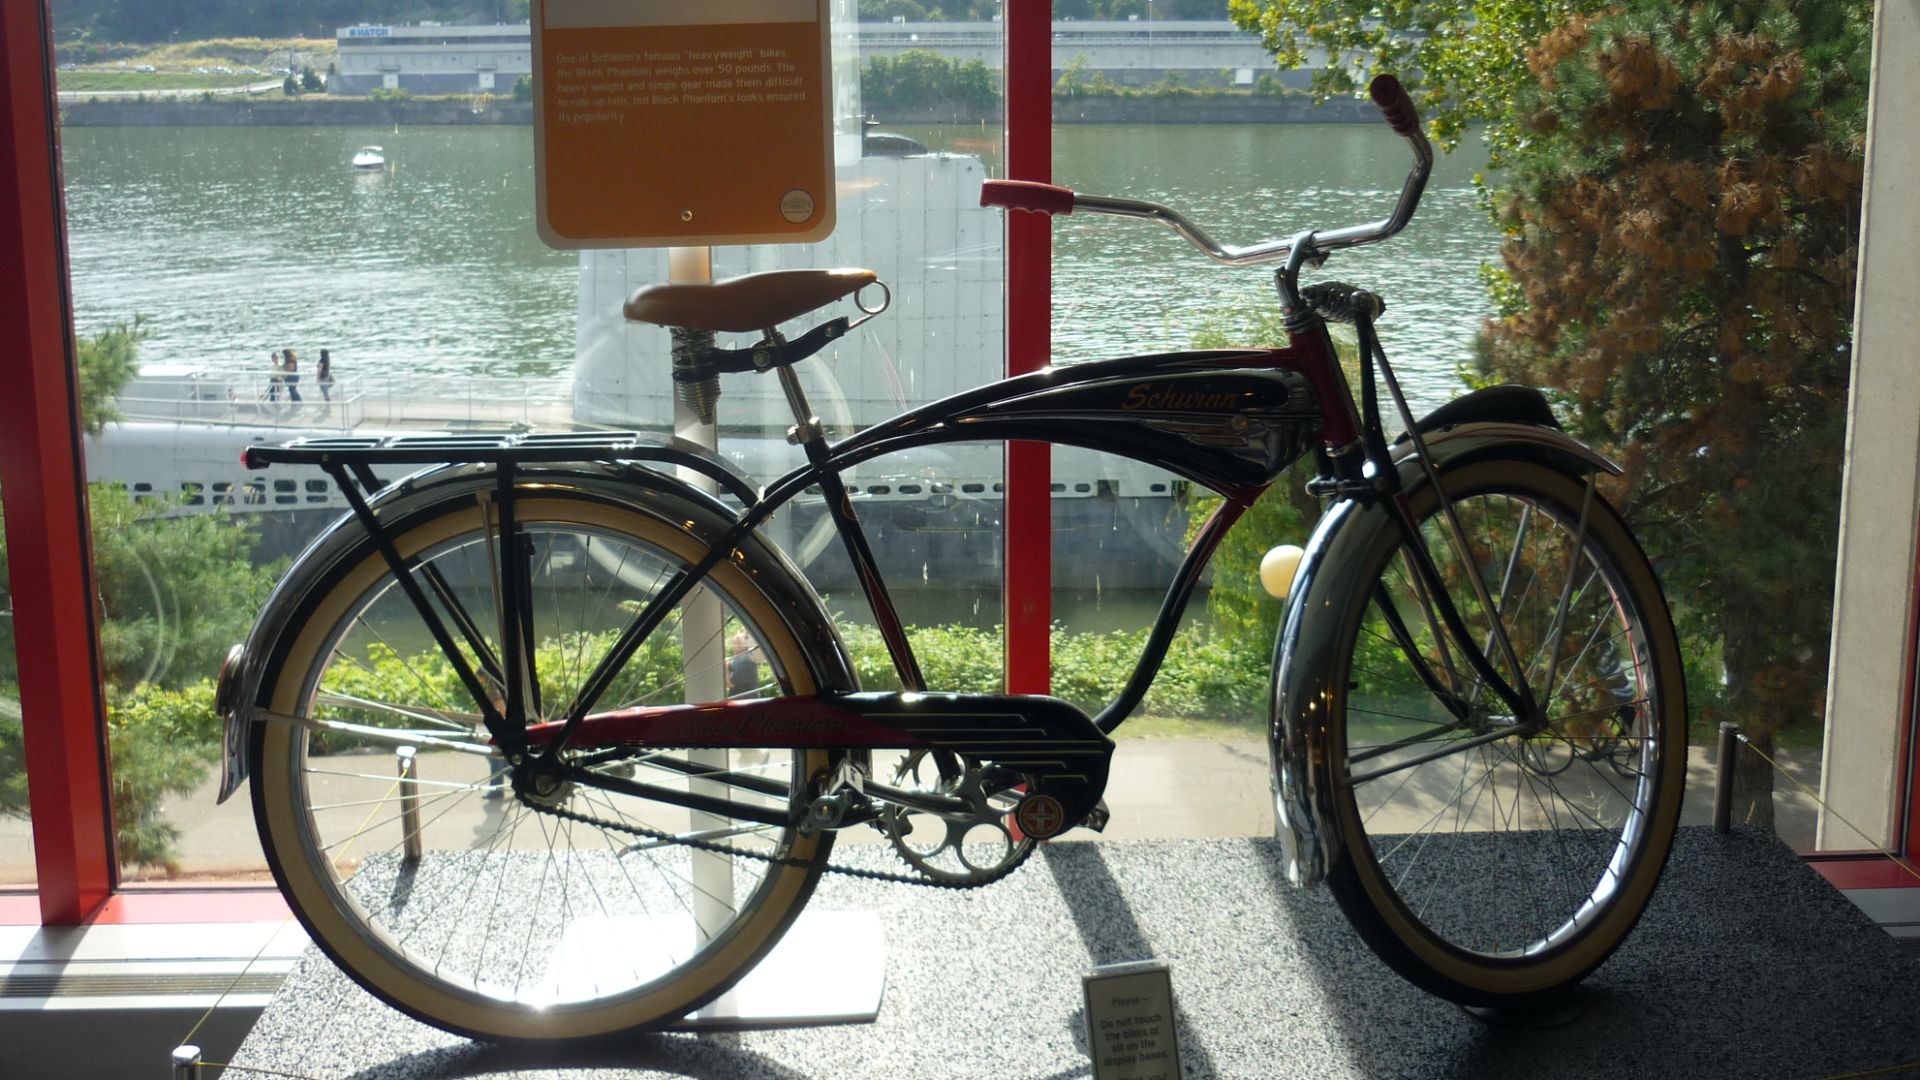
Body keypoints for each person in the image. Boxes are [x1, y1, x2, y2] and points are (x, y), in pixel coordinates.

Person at [727, 632, 759, 697]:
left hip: (747, 700)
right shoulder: (732, 661)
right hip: (740, 700)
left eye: (738, 642)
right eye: (734, 642)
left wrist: (726, 668)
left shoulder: (747, 657)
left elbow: (730, 684)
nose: (733, 645)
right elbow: (729, 684)